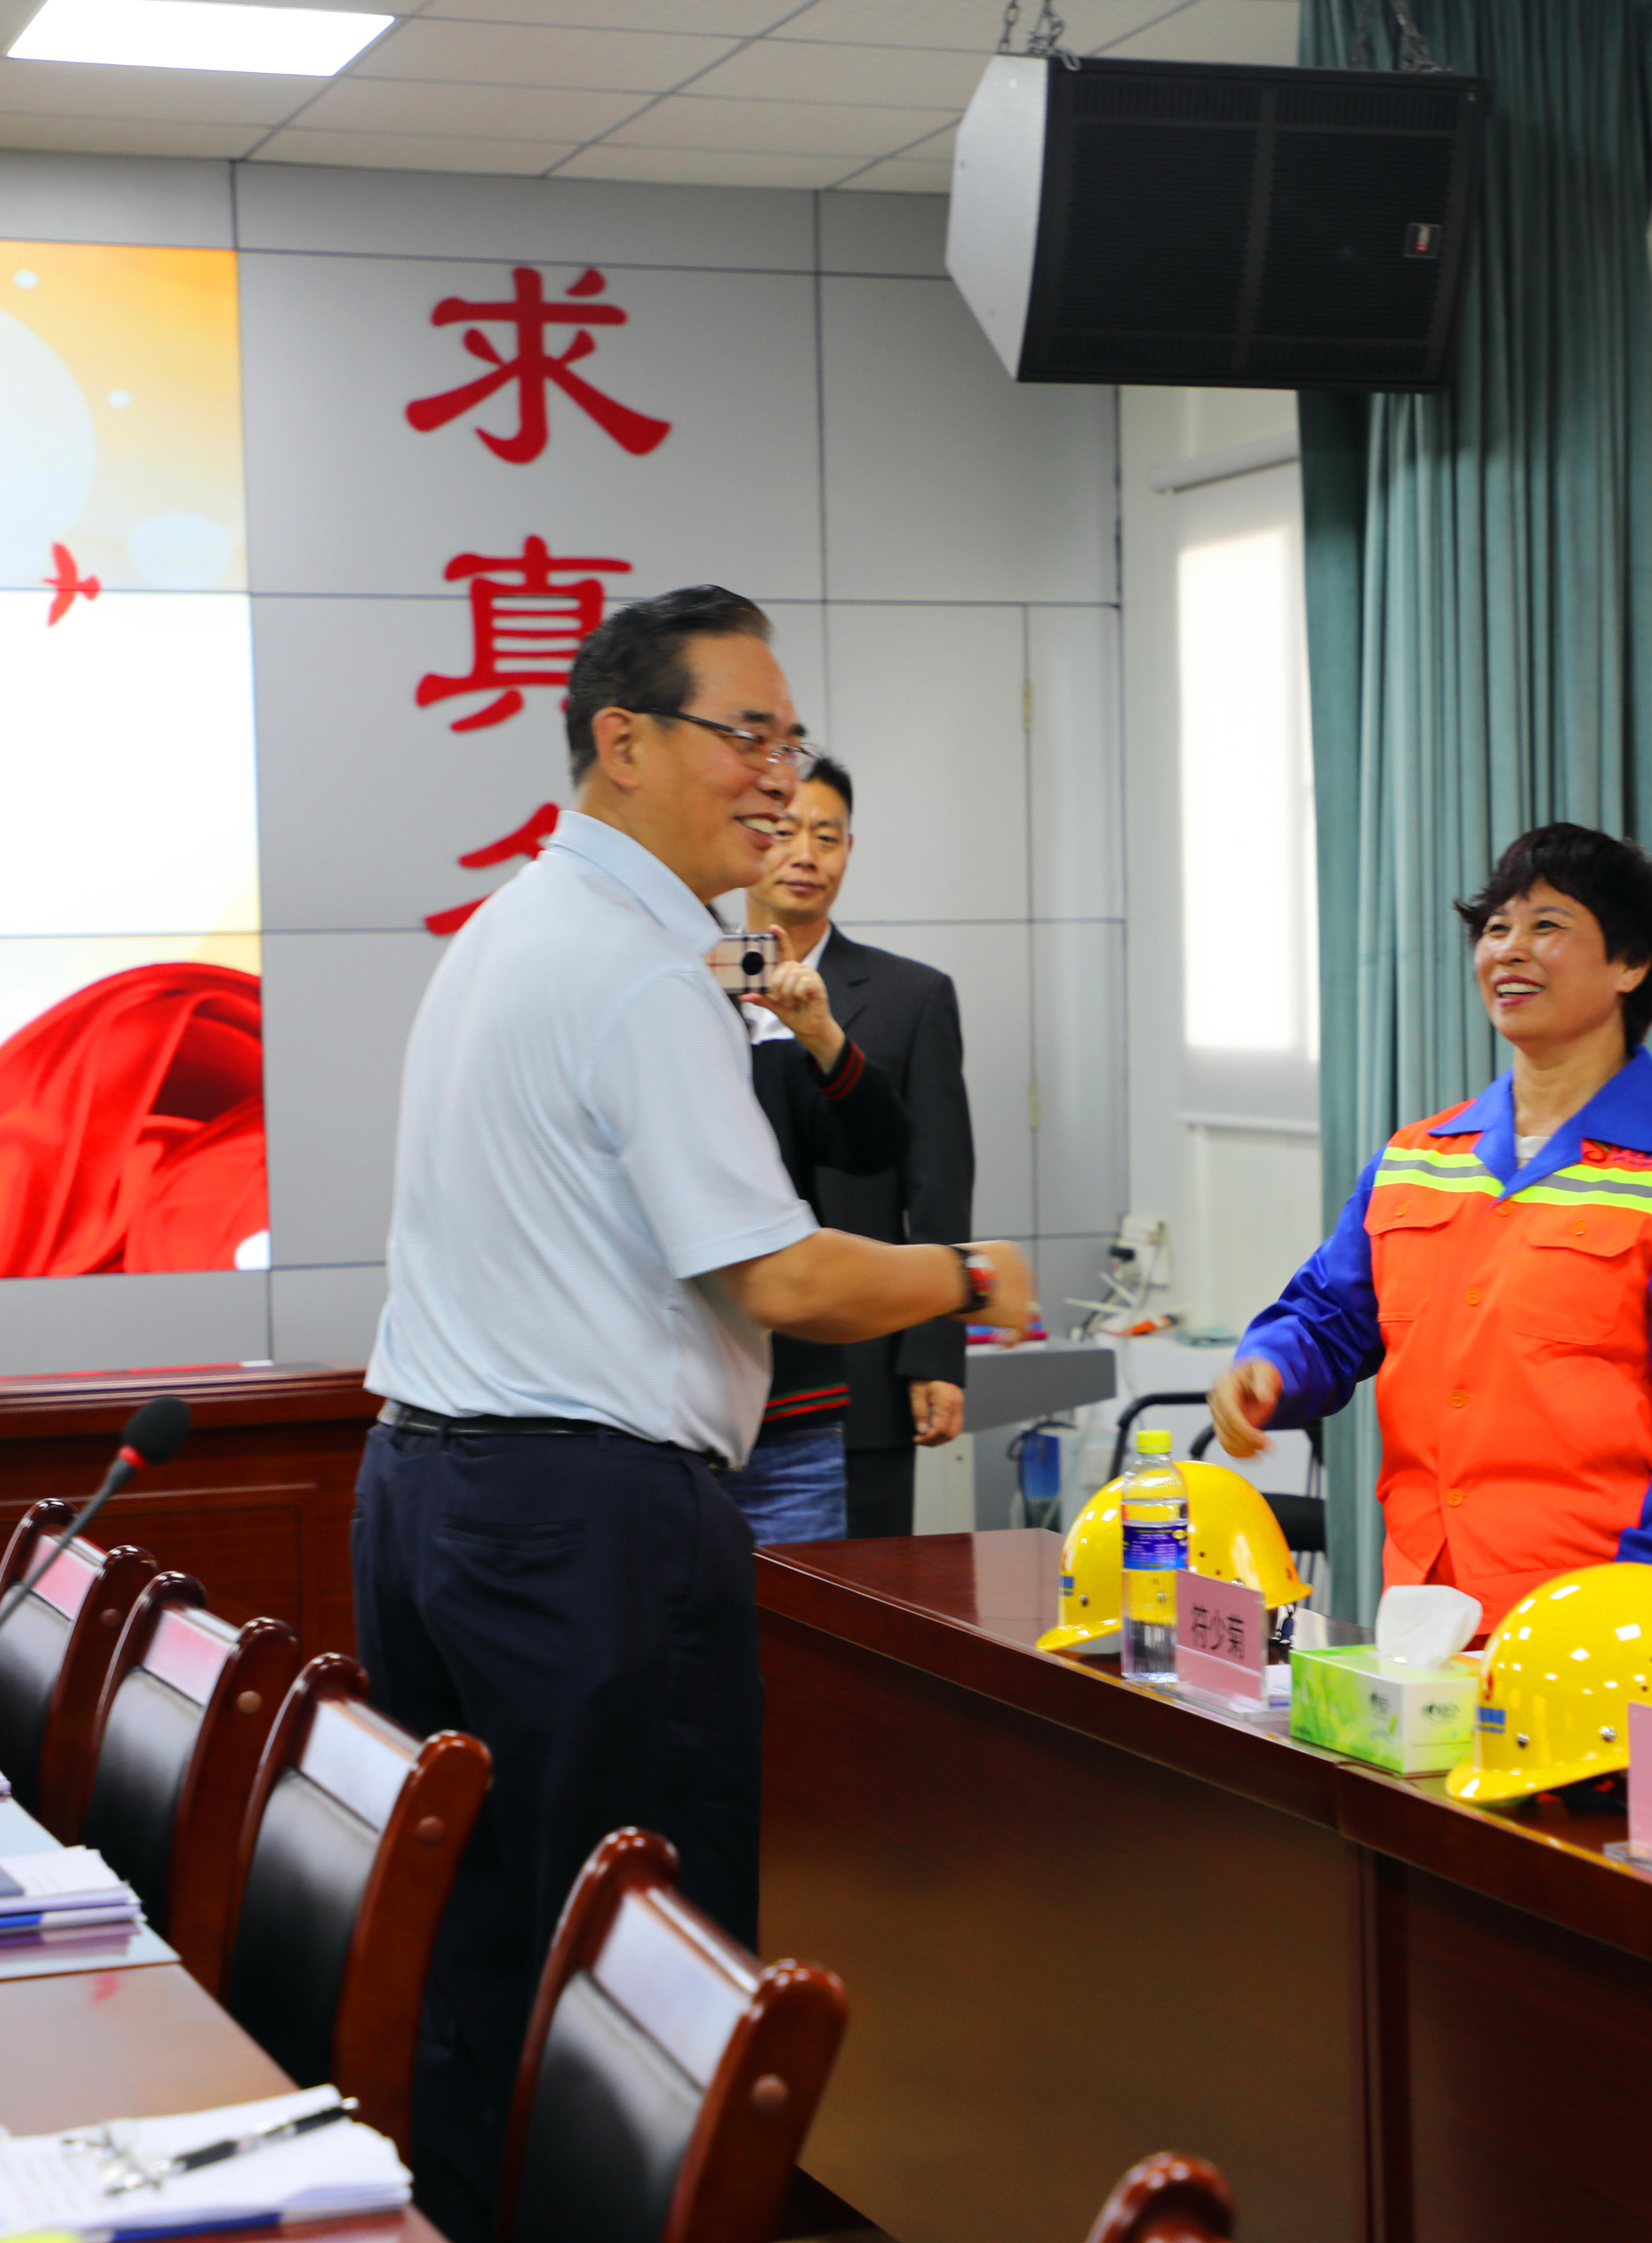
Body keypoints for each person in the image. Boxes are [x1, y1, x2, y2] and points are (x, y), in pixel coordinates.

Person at [354, 583, 1034, 2243]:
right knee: (645, 1962)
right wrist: (967, 1272)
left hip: (427, 1498)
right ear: (624, 740)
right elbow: (781, 1275)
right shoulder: (639, 967)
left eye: (793, 742)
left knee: (488, 1942)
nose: (779, 777)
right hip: (579, 1523)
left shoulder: (511, 928)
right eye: (749, 736)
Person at [1207, 825, 1652, 1630]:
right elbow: (1330, 1315)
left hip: (1600, 1625)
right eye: (1495, 928)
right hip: (1422, 1610)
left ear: (1631, 964)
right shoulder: (1416, 1158)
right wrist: (1271, 1364)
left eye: (1547, 926)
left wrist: (1633, 1608)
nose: (1508, 950)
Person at [741, 757, 975, 1538]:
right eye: (785, 831)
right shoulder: (687, 985)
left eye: (828, 836)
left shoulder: (912, 997)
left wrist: (936, 1353)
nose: (806, 855)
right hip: (719, 1360)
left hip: (862, 1368)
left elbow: (939, 1185)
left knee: (861, 1589)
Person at [714, 943, 910, 1543]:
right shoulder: (622, 1057)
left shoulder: (763, 1048)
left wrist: (823, 1037)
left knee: (803, 1603)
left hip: (790, 1417)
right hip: (657, 1420)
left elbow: (876, 1146)